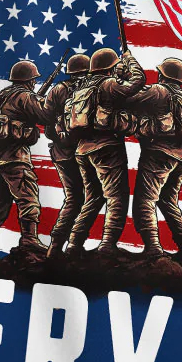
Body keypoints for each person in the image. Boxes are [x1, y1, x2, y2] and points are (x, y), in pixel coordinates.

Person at [64, 46, 145, 254]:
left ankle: (74, 243)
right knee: (117, 196)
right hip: (107, 147)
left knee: (93, 197)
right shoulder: (108, 84)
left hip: (83, 150)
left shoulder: (82, 88)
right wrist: (131, 61)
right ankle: (108, 245)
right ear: (110, 67)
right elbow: (138, 83)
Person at [0, 59, 49, 258]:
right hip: (14, 158)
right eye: (34, 80)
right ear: (30, 80)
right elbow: (45, 115)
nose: (35, 84)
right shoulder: (23, 96)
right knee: (27, 197)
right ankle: (29, 239)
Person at [124, 57, 182, 259]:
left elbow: (129, 98)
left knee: (145, 201)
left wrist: (127, 77)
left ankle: (153, 248)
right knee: (168, 201)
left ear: (162, 74)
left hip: (159, 154)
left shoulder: (159, 91)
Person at [39, 53, 90, 257]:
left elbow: (46, 120)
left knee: (78, 198)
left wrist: (60, 137)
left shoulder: (58, 90)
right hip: (77, 152)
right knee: (81, 198)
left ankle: (62, 245)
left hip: (65, 151)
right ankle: (65, 245)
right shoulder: (86, 90)